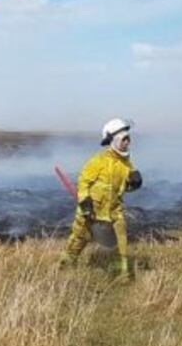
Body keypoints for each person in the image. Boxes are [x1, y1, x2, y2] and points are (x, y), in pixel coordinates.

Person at [60, 118, 143, 282]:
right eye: (123, 140)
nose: (126, 143)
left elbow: (124, 188)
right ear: (112, 141)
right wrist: (84, 202)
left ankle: (122, 276)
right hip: (90, 210)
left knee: (120, 244)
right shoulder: (97, 161)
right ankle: (65, 266)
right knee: (78, 239)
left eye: (128, 139)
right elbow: (84, 182)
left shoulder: (127, 164)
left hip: (114, 212)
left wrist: (135, 184)